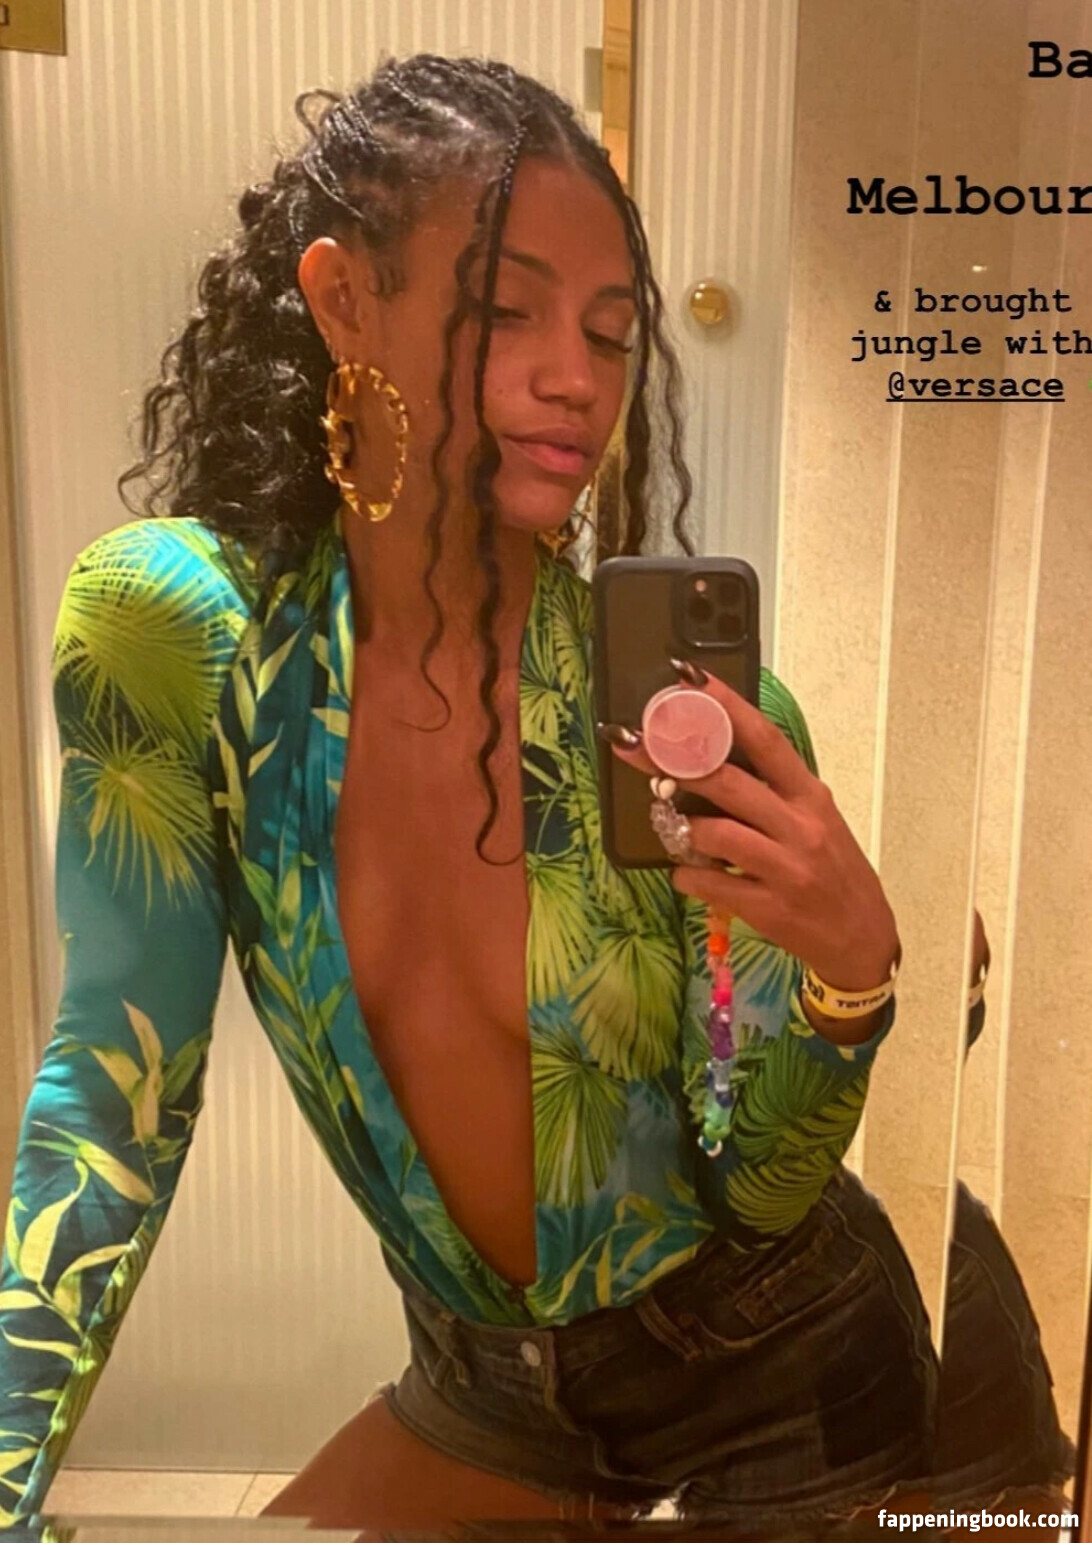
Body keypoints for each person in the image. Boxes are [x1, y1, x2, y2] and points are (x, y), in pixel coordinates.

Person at [0, 55, 935, 1536]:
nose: (579, 377)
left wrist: (849, 982)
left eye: (611, 333)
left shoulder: (674, 724)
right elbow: (115, 1088)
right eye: (508, 311)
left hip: (784, 1372)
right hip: (490, 1389)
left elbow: (758, 1188)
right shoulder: (183, 639)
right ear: (341, 298)